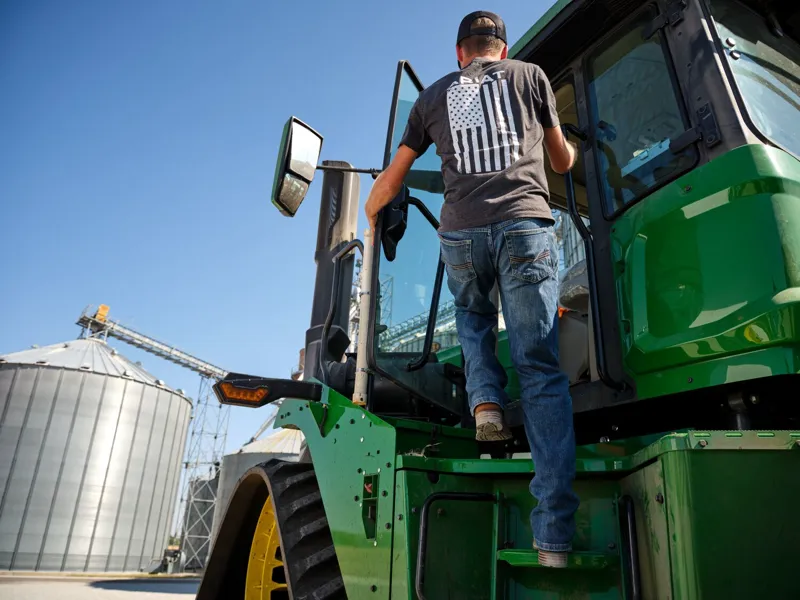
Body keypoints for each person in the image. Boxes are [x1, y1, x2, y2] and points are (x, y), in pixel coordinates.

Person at [364, 11, 579, 567]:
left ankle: (485, 403)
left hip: (461, 231)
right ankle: (553, 538)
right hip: (525, 225)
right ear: (500, 50)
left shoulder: (430, 98)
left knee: (473, 317)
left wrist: (372, 208)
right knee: (539, 368)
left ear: (460, 53)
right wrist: (571, 152)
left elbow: (394, 175)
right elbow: (560, 160)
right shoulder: (530, 76)